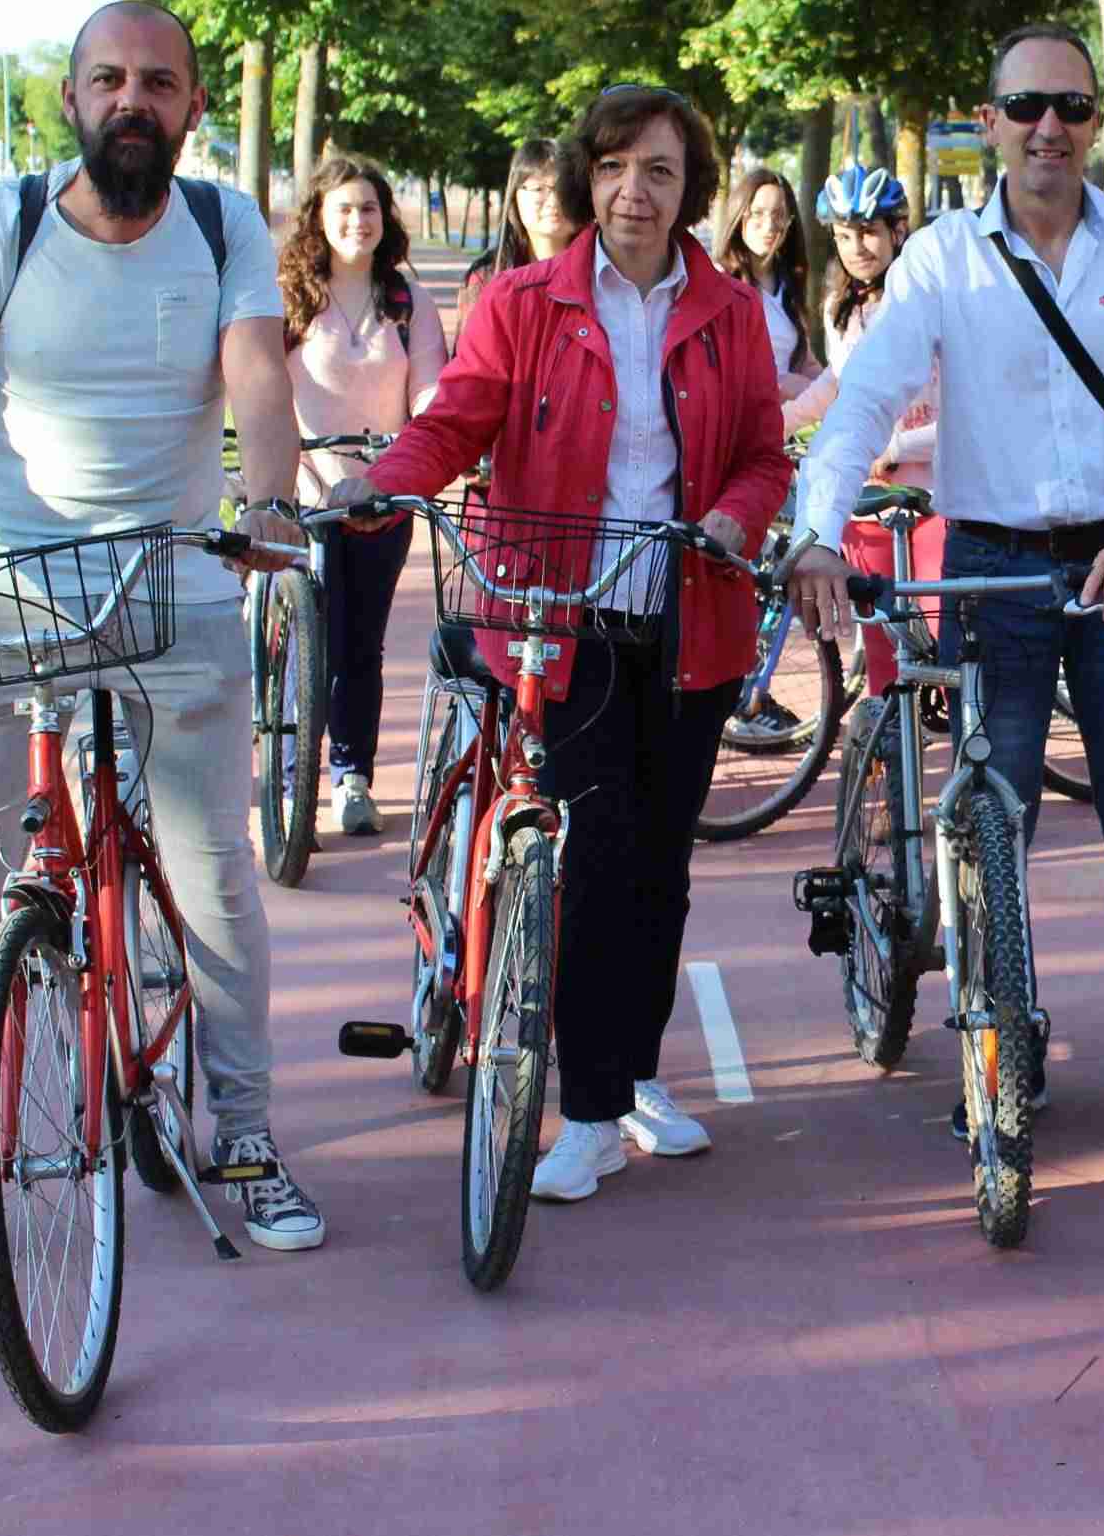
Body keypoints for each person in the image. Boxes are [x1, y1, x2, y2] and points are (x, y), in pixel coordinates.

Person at [0, 0, 322, 1263]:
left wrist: (267, 508)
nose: (131, 100)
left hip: (175, 580)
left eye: (157, 81)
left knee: (212, 883)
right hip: (13, 585)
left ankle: (242, 1132)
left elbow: (257, 373)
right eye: (107, 79)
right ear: (72, 101)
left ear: (194, 106)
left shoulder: (222, 225)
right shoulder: (3, 225)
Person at [326, 84, 793, 1201]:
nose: (637, 190)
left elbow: (767, 454)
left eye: (663, 171)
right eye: (619, 165)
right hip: (557, 622)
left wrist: (738, 513)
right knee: (595, 854)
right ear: (589, 175)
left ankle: (629, 1074)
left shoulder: (727, 311)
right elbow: (458, 418)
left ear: (692, 191)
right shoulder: (526, 299)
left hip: (692, 619)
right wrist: (380, 486)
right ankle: (582, 1110)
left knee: (663, 868)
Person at [790, 23, 1104, 1146]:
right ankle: (1002, 1046)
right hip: (992, 564)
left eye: (1073, 108)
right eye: (1028, 105)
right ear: (986, 123)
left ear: (1097, 124)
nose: (1051, 127)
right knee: (998, 817)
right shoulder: (941, 257)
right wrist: (816, 534)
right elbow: (866, 403)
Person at [279, 154, 449, 835]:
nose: (358, 220)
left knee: (360, 647)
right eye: (344, 208)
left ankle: (352, 777)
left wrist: (416, 456)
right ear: (320, 216)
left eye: (370, 208)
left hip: (378, 501)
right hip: (302, 495)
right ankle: (292, 780)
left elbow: (432, 389)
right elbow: (256, 383)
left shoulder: (405, 300)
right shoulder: (290, 294)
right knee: (303, 642)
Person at [784, 160, 942, 700]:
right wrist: (779, 421)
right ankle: (890, 765)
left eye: (870, 232)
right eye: (845, 236)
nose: (858, 247)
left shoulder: (925, 305)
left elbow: (964, 417)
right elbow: (837, 382)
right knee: (881, 645)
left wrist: (897, 445)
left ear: (899, 231)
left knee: (946, 642)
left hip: (932, 501)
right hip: (868, 502)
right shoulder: (839, 310)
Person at [714, 166, 825, 401]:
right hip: (738, 427)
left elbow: (806, 362)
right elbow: (714, 372)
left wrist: (835, 389)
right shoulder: (717, 282)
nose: (769, 225)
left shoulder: (790, 284)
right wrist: (780, 384)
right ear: (739, 213)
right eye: (758, 213)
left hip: (785, 427)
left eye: (779, 214)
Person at [460, 138, 582, 317]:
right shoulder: (487, 278)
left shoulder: (603, 275)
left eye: (565, 188)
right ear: (514, 197)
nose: (554, 201)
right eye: (539, 189)